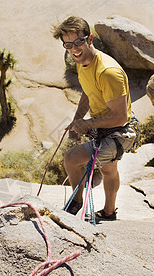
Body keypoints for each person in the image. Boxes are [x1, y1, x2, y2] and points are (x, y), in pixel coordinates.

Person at [52, 16, 137, 220]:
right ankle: (109, 212)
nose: (74, 49)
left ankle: (76, 202)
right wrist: (77, 121)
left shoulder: (108, 72)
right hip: (106, 128)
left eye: (79, 42)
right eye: (68, 45)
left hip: (120, 131)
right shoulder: (83, 63)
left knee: (72, 159)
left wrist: (87, 124)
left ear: (89, 38)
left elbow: (119, 116)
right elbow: (88, 93)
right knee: (108, 171)